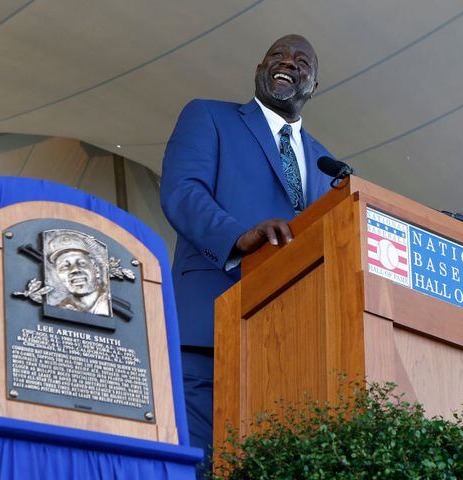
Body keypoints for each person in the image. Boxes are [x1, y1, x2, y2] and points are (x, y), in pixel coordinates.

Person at [160, 34, 334, 475]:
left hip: (286, 349)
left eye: (301, 61)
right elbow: (183, 192)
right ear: (259, 70)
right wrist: (238, 237)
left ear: (314, 86)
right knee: (198, 467)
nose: (287, 62)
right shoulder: (209, 117)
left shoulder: (329, 165)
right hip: (207, 330)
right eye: (276, 54)